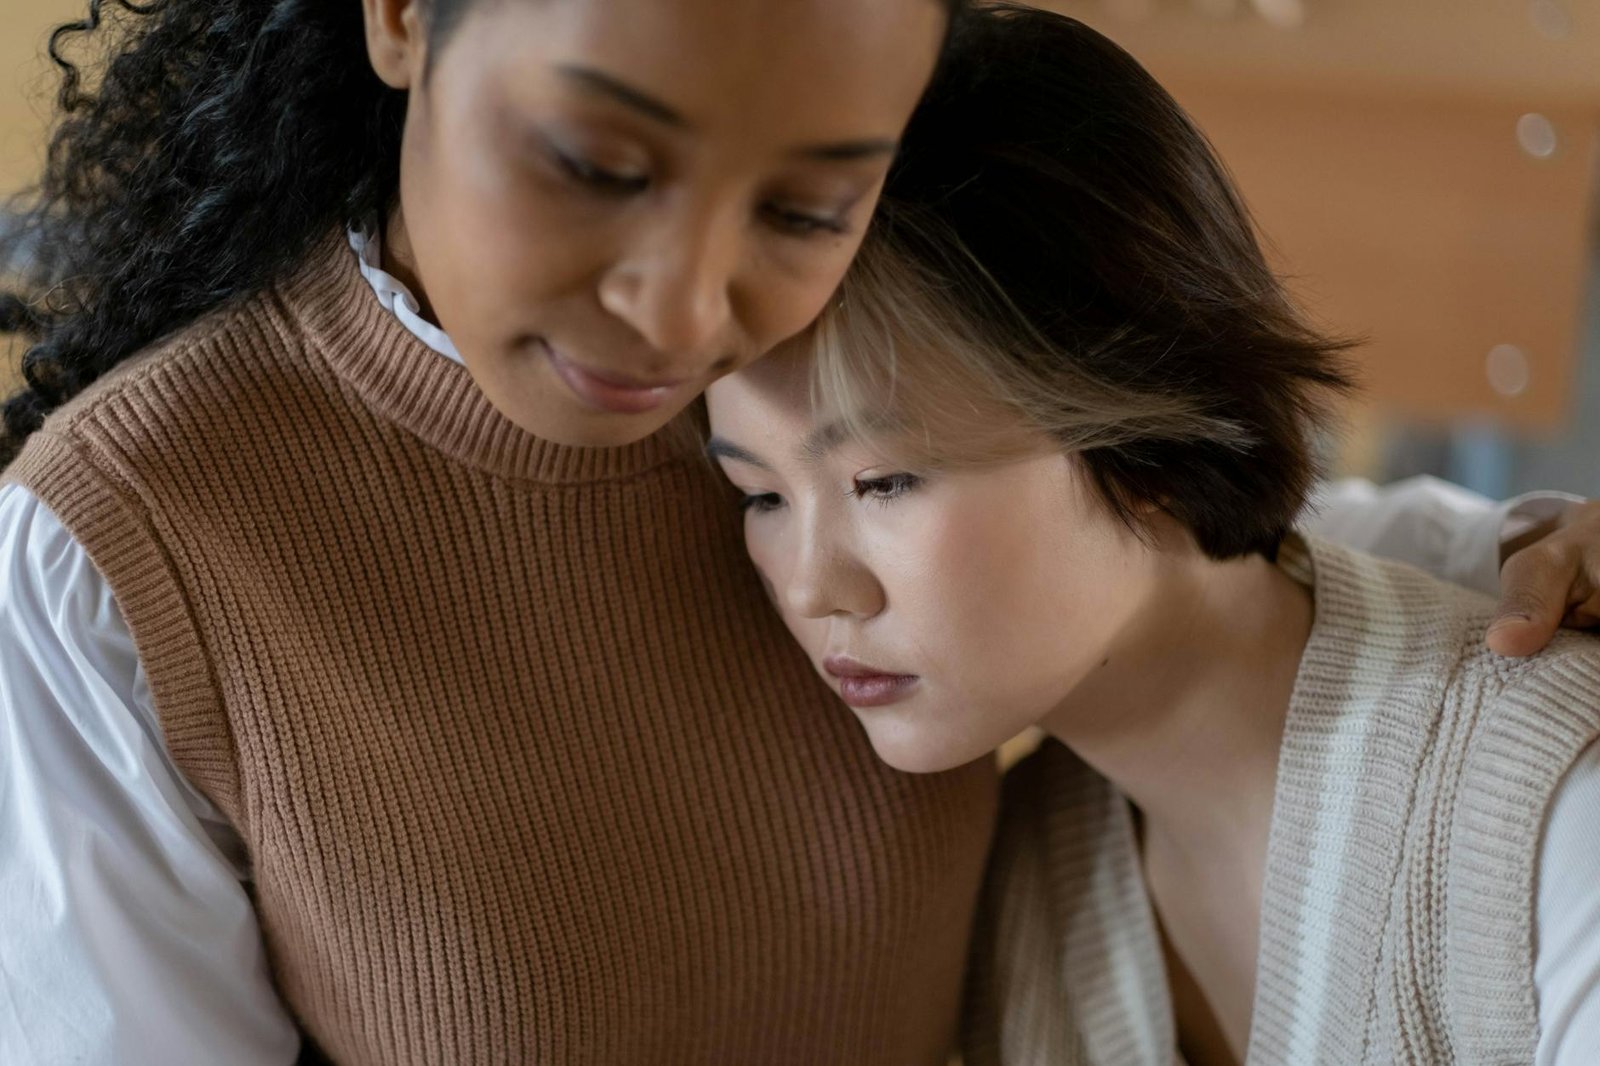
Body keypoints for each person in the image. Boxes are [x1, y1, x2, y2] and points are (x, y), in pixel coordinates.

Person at [0, 0, 1594, 1063]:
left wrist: (1520, 561)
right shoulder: (115, 558)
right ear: (407, 13)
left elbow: (1180, 523)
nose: (685, 312)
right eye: (597, 162)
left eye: (805, 202)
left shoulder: (827, 353)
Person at [700, 6, 1600, 1065]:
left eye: (884, 480)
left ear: (1148, 429)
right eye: (760, 497)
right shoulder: (1028, 892)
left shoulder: (1537, 806)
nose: (812, 586)